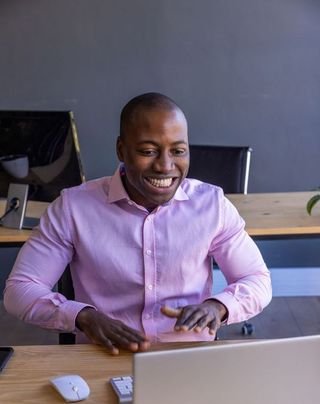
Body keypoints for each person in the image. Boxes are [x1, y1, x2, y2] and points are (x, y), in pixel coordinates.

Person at [4, 93, 272, 354]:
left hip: (189, 357)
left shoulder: (213, 206)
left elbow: (257, 280)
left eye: (178, 151)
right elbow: (19, 291)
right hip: (104, 357)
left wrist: (218, 306)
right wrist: (83, 317)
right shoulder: (73, 208)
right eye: (148, 151)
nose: (165, 166)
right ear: (121, 150)